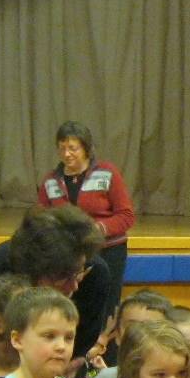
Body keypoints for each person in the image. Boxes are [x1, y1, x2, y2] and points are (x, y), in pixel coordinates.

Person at [0, 206, 111, 376]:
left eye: (78, 274)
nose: (74, 286)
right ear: (30, 275)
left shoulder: (93, 273)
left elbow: (78, 351)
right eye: (63, 278)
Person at [37, 121, 135, 332]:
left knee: (106, 307)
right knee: (74, 305)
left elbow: (126, 216)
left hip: (108, 251)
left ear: (87, 149)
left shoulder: (108, 173)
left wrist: (97, 229)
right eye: (62, 148)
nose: (67, 154)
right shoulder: (50, 180)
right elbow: (41, 219)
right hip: (69, 255)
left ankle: (104, 354)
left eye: (73, 148)